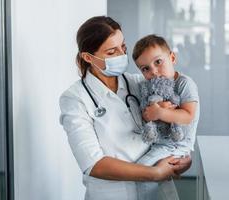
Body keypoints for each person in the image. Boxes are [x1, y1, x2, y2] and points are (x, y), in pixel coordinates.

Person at [59, 16, 192, 200]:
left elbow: (173, 122)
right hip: (114, 195)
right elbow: (94, 164)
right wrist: (153, 173)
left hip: (158, 192)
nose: (122, 56)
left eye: (123, 47)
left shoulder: (139, 83)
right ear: (88, 57)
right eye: (112, 52)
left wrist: (181, 158)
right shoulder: (75, 99)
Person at [132, 34, 200, 200]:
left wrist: (160, 112)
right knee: (162, 180)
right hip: (161, 143)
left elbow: (188, 116)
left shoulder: (184, 83)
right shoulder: (149, 87)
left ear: (172, 57)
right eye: (145, 69)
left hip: (176, 144)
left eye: (158, 62)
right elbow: (146, 113)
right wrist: (152, 112)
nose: (154, 71)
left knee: (141, 170)